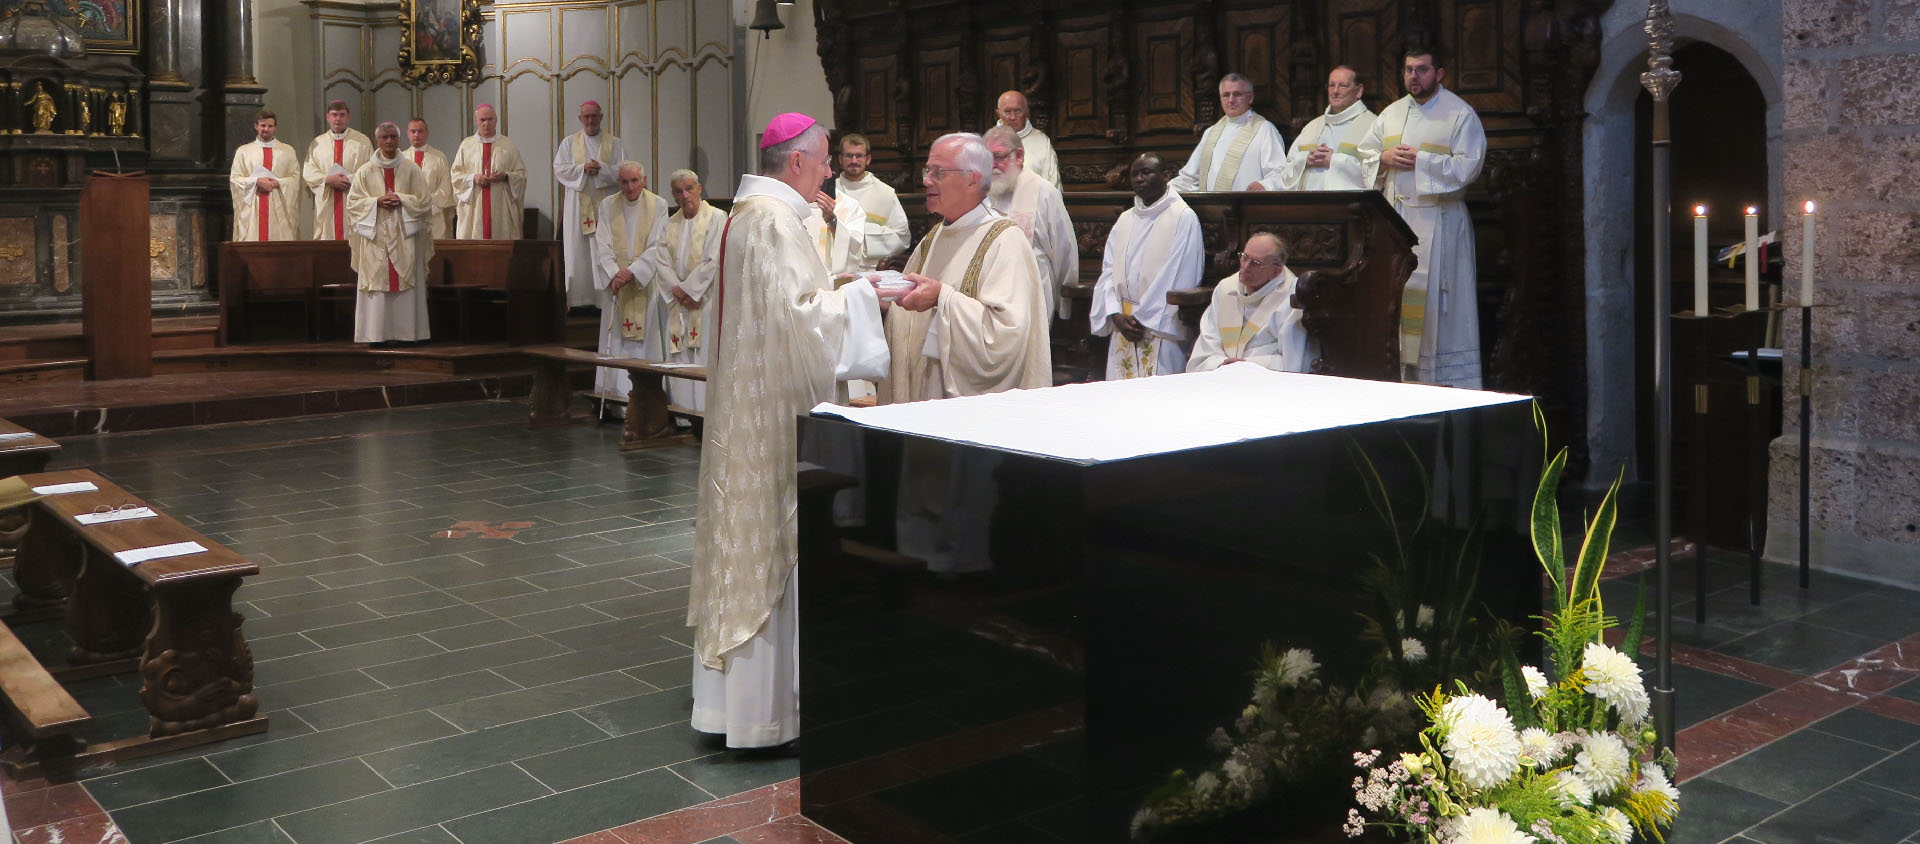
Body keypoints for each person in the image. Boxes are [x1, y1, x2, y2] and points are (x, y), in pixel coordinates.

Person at [689, 113, 892, 750]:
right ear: (798, 161)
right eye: (825, 159)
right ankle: (763, 717)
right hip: (773, 411)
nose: (831, 170)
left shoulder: (741, 215)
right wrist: (865, 298)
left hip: (744, 404)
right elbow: (801, 322)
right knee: (773, 538)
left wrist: (840, 286)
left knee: (742, 538)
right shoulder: (777, 222)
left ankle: (731, 709)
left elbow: (779, 308)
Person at [884, 132, 1053, 403]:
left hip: (970, 411)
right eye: (927, 170)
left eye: (938, 172)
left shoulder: (1005, 239)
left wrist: (941, 297)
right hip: (926, 395)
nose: (926, 180)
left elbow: (1006, 336)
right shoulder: (934, 237)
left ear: (973, 179)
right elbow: (907, 318)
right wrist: (887, 302)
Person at [1357, 45, 1487, 388]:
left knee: (1439, 311)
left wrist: (1422, 161)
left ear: (1439, 73)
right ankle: (1399, 378)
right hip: (1397, 223)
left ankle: (1441, 381)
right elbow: (1364, 157)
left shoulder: (1459, 114)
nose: (1414, 76)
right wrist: (1383, 158)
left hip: (1440, 224)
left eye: (1422, 70)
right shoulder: (1391, 114)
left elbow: (1469, 166)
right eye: (1408, 70)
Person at [1091, 153, 1204, 378]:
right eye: (1135, 174)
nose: (1139, 179)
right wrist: (1115, 313)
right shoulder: (1125, 219)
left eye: (1146, 172)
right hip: (1123, 325)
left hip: (1159, 329)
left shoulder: (1183, 217)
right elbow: (1108, 273)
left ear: (1166, 176)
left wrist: (1141, 318)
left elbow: (1181, 273)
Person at [345, 122, 434, 346]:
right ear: (377, 140)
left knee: (406, 282)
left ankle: (408, 334)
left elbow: (424, 202)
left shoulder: (411, 169)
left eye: (393, 137)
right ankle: (376, 334)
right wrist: (376, 201)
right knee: (377, 283)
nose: (389, 141)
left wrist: (401, 199)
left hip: (404, 236)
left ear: (398, 139)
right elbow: (353, 204)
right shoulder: (365, 170)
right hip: (376, 238)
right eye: (384, 137)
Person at [648, 169, 725, 411]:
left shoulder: (716, 217)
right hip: (678, 304)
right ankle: (682, 413)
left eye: (689, 188)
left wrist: (691, 291)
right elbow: (661, 261)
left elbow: (713, 259)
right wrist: (678, 292)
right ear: (673, 195)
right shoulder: (669, 223)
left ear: (699, 189)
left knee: (702, 356)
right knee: (678, 356)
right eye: (679, 191)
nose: (685, 195)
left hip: (704, 301)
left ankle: (704, 414)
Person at [984, 124, 1078, 322]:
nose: (992, 165)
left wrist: (1065, 306)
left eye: (999, 157)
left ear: (1019, 156)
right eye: (986, 158)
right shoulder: (983, 193)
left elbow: (1064, 251)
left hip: (1031, 296)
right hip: (987, 296)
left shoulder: (1044, 193)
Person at [1188, 232, 1316, 373]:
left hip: (1265, 380)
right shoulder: (1226, 289)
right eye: (1244, 257)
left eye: (1256, 263)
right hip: (1221, 373)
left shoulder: (1292, 298)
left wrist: (1245, 365)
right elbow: (1209, 339)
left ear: (1276, 271)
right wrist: (1221, 364)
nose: (1245, 267)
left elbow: (1292, 359)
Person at [590, 162, 665, 400]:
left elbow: (658, 246)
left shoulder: (658, 205)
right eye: (624, 181)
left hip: (644, 284)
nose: (629, 187)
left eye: (634, 181)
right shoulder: (607, 205)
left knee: (646, 343)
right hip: (617, 287)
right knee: (617, 343)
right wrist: (615, 273)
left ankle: (646, 399)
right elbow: (602, 245)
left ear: (644, 181)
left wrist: (632, 272)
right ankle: (616, 398)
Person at [554, 101, 628, 308]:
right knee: (578, 250)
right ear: (580, 119)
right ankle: (579, 299)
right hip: (577, 207)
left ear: (601, 117)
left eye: (594, 116)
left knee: (604, 247)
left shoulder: (615, 143)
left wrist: (602, 169)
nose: (590, 121)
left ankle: (603, 299)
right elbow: (559, 169)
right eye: (586, 117)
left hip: (605, 207)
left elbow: (624, 171)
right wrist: (582, 169)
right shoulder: (569, 143)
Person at [1169, 75, 1288, 193]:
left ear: (1250, 98)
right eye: (1226, 95)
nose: (1231, 100)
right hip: (1211, 208)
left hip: (1250, 207)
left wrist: (1266, 185)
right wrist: (1164, 189)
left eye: (1237, 94)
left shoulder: (1265, 130)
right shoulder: (1210, 133)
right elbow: (1189, 178)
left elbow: (1280, 173)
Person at [1277, 66, 1375, 192]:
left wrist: (1334, 161)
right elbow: (1286, 171)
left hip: (1350, 207)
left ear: (1359, 91)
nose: (1335, 91)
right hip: (1309, 205)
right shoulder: (1312, 127)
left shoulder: (1372, 125)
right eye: (1331, 85)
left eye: (1343, 86)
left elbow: (1379, 173)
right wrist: (1305, 160)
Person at [450, 104, 527, 240]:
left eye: (490, 119)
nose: (486, 124)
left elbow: (521, 174)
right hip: (474, 209)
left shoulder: (508, 145)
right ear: (476, 121)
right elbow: (455, 175)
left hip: (500, 208)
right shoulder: (466, 145)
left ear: (496, 120)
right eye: (482, 120)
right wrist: (474, 178)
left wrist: (505, 176)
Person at [833, 133, 910, 270]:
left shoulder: (885, 193)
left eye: (859, 155)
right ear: (840, 159)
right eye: (849, 155)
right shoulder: (829, 191)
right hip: (836, 268)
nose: (854, 160)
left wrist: (858, 234)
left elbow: (902, 236)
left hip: (873, 269)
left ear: (868, 159)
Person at [304, 100, 373, 240]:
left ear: (348, 117)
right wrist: (328, 179)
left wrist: (349, 179)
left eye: (342, 115)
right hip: (327, 201)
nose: (338, 119)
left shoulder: (362, 141)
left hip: (353, 198)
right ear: (327, 117)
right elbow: (308, 170)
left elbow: (371, 170)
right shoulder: (318, 143)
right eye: (334, 115)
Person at [228, 108, 300, 242]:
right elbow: (235, 179)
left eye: (270, 126)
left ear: (275, 127)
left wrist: (278, 182)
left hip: (279, 209)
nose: (266, 129)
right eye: (263, 125)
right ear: (256, 126)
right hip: (253, 211)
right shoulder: (244, 151)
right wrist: (255, 181)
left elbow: (295, 179)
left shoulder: (288, 151)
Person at [993, 90, 1060, 189]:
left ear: (1026, 112)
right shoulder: (988, 142)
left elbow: (1053, 185)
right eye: (1007, 112)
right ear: (999, 114)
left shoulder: (1042, 142)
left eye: (1017, 111)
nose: (1012, 117)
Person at [803, 181, 868, 276]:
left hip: (836, 281)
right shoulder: (787, 202)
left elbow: (854, 246)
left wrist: (831, 220)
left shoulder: (849, 205)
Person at [406, 118, 457, 239]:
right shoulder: (401, 158)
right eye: (413, 131)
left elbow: (445, 187)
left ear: (427, 133)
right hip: (408, 216)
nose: (416, 135)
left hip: (433, 215)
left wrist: (427, 203)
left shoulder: (439, 157)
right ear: (407, 133)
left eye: (420, 131)